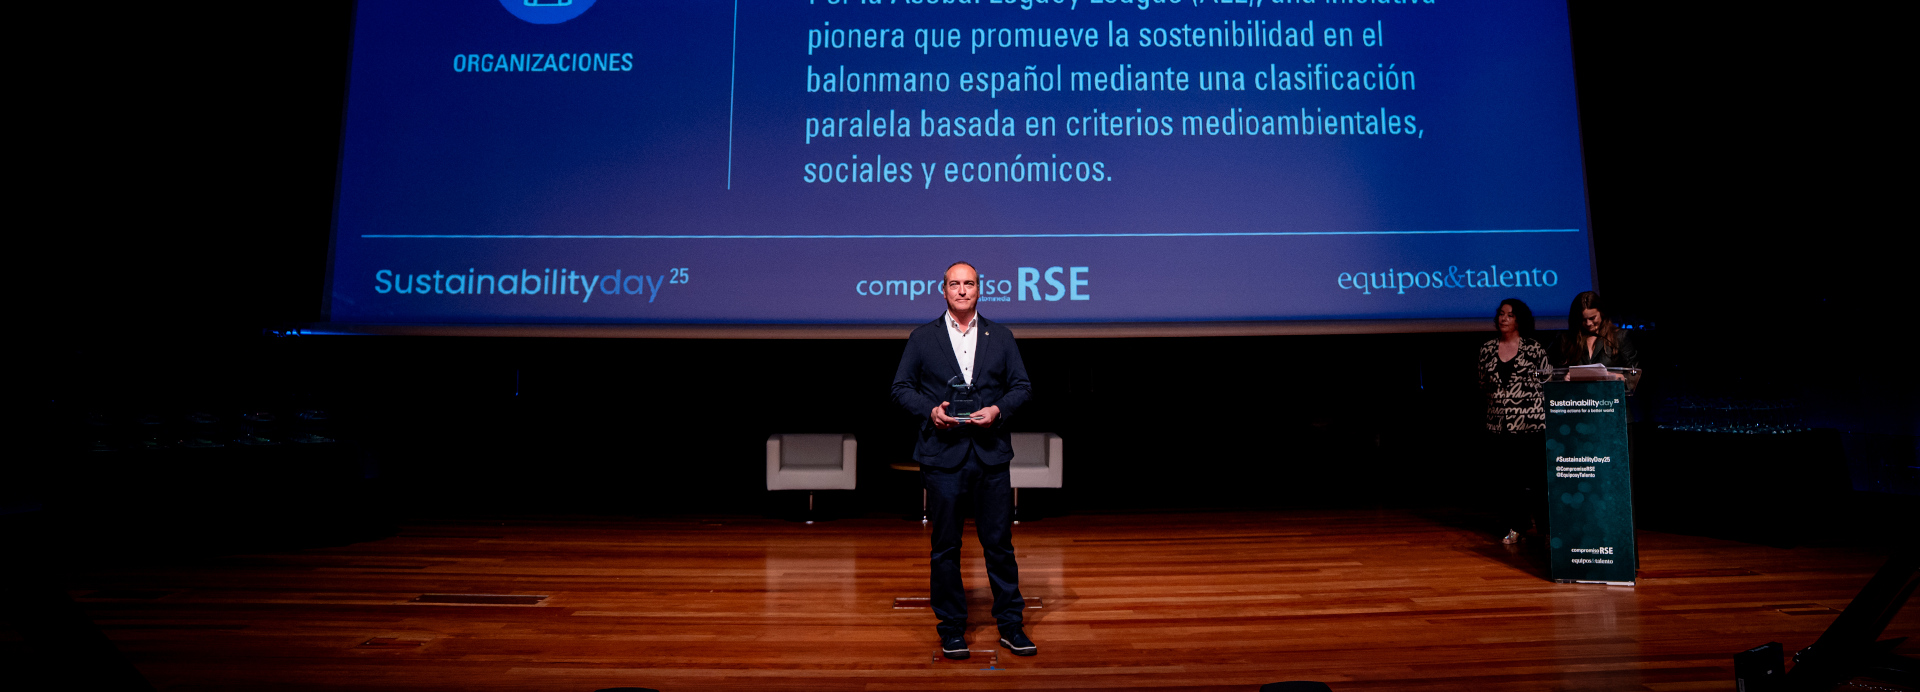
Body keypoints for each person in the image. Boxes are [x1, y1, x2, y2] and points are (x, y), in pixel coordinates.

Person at [890, 261, 1036, 660]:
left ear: (979, 289)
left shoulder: (1000, 335)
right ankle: (952, 628)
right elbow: (901, 387)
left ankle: (1011, 625)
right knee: (945, 547)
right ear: (943, 290)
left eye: (968, 283)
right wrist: (929, 411)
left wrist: (998, 410)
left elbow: (1022, 386)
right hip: (943, 455)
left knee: (999, 545)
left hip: (990, 455)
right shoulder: (923, 337)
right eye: (954, 284)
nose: (961, 290)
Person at [1477, 299, 1550, 545]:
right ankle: (1516, 526)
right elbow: (1482, 383)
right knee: (1509, 481)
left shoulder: (1534, 348)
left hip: (1531, 424)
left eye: (1510, 315)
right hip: (1500, 425)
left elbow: (1547, 381)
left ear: (1520, 319)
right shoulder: (1487, 349)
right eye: (1501, 314)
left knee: (1538, 480)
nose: (1504, 318)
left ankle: (1546, 529)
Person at [1555, 290, 1639, 370]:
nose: (1588, 323)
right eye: (1583, 319)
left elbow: (1633, 373)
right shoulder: (1568, 339)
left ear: (1602, 313)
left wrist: (1615, 376)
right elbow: (1556, 371)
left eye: (1592, 318)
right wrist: (1564, 376)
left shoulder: (1619, 337)